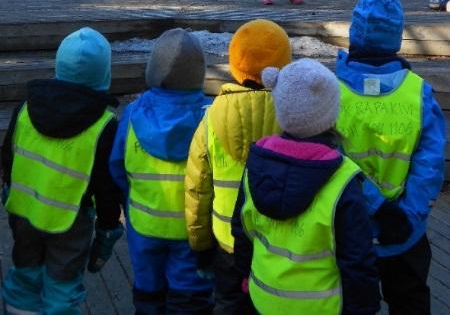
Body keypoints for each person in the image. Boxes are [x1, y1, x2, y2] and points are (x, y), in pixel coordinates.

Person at [231, 58, 380, 315]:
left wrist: (244, 274)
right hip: (319, 307)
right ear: (331, 113)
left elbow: (242, 231)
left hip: (263, 299)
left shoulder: (255, 167)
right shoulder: (343, 180)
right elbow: (357, 261)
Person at [335, 0, 446, 315]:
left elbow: (332, 160)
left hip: (348, 231)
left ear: (354, 34)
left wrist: (375, 206)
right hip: (405, 233)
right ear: (396, 38)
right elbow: (430, 165)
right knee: (410, 301)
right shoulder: (419, 94)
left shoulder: (332, 92)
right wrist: (405, 216)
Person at [1, 27, 123, 315]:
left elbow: (9, 153)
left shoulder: (26, 106)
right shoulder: (104, 125)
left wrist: (8, 188)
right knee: (62, 286)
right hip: (71, 220)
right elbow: (107, 187)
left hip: (24, 211)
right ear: (103, 75)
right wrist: (108, 227)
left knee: (24, 275)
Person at [185, 19, 292, 315]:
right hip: (280, 243)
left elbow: (197, 187)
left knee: (228, 305)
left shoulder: (212, 116)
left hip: (226, 243)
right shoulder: (293, 116)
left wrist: (200, 244)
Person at [109, 28, 214, 315]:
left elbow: (117, 168)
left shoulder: (132, 116)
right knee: (190, 299)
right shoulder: (212, 119)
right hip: (194, 233)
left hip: (144, 226)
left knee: (148, 296)